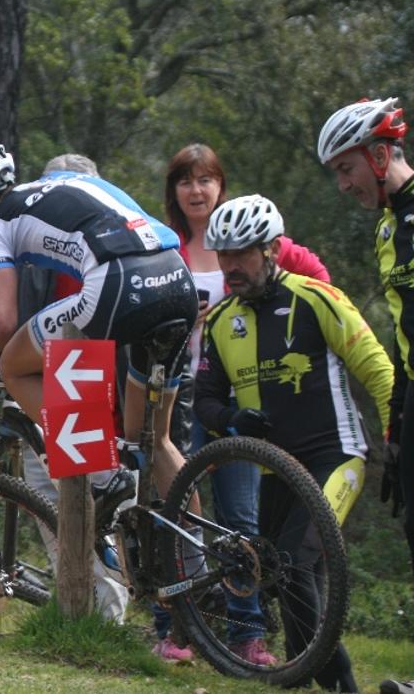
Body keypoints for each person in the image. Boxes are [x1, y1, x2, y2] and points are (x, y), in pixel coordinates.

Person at [0, 137, 197, 525]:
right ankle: (199, 567)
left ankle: (104, 478)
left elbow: (1, 320)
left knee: (14, 366)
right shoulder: (70, 182)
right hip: (176, 278)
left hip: (118, 282)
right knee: (154, 440)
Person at [194, 194, 391, 692]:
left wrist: (399, 439)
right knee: (285, 575)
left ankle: (340, 684)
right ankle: (307, 678)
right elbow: (205, 401)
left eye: (243, 254)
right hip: (275, 468)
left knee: (290, 563)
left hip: (336, 457)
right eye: (223, 255)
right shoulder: (220, 321)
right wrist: (232, 418)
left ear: (273, 250)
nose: (231, 266)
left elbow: (379, 372)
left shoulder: (317, 299)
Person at [154, 143, 332, 663]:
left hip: (240, 395)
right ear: (174, 192)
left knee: (240, 521)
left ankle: (246, 636)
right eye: (185, 181)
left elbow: (318, 286)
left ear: (221, 188)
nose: (196, 190)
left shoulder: (259, 240)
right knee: (174, 514)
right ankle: (172, 628)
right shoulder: (165, 247)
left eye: (205, 180)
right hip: (173, 394)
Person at [0, 153, 129, 624]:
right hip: (41, 398)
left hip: (97, 397)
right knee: (49, 507)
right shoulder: (24, 248)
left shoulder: (111, 250)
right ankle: (78, 614)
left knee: (102, 514)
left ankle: (108, 622)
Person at [318, 98, 414, 580]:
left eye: (347, 168)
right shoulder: (387, 229)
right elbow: (401, 331)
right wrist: (397, 419)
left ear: (379, 157)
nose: (344, 184)